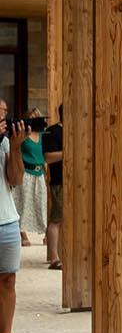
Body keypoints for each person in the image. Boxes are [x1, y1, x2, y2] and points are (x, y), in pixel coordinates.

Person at [0, 107, 26, 333]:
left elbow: (15, 179)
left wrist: (16, 148)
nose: (3, 117)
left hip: (7, 220)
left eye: (4, 113)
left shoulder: (6, 142)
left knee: (8, 279)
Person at [12, 113, 48, 257]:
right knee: (23, 203)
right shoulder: (23, 135)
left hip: (40, 173)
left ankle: (46, 234)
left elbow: (45, 155)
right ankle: (23, 234)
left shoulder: (43, 135)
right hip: (26, 172)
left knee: (42, 203)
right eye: (33, 117)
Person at [39, 108, 62, 270]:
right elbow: (47, 157)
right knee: (56, 219)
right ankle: (54, 257)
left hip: (78, 183)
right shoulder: (52, 131)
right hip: (60, 182)